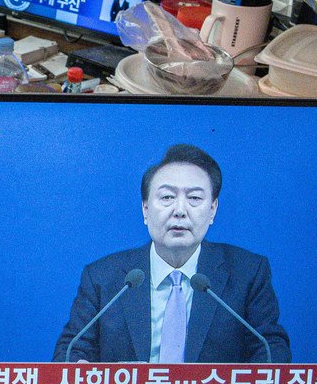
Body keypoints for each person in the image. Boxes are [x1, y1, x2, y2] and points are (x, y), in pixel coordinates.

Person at [52, 144, 289, 364]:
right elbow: (71, 350)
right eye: (167, 197)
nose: (179, 211)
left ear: (213, 209)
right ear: (145, 209)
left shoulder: (247, 272)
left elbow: (271, 349)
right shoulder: (103, 277)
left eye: (194, 198)